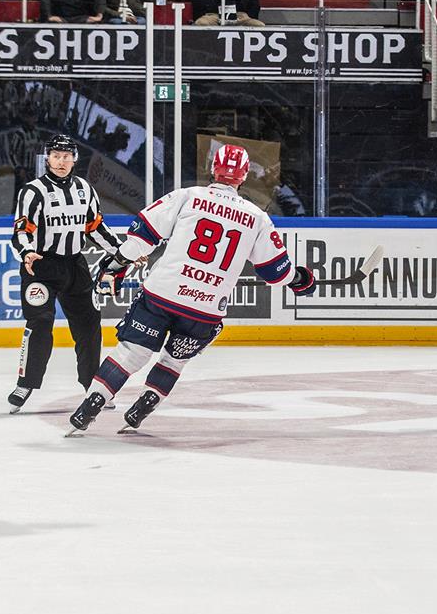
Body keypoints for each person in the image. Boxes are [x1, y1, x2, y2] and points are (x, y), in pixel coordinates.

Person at [66, 144, 316, 433]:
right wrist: (301, 280)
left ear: (213, 169)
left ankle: (91, 404)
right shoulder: (257, 217)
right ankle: (145, 405)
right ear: (244, 175)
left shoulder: (188, 197)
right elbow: (276, 272)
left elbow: (143, 236)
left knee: (132, 352)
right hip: (206, 308)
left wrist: (118, 262)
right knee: (175, 359)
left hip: (163, 294)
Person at [8, 135, 124, 413]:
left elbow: (95, 228)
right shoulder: (33, 191)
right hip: (40, 267)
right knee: (40, 323)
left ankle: (92, 386)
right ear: (47, 158)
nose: (61, 161)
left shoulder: (85, 188)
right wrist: (27, 252)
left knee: (89, 325)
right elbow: (21, 230)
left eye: (66, 156)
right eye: (56, 156)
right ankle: (26, 383)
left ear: (74, 159)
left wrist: (123, 251)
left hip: (74, 265)